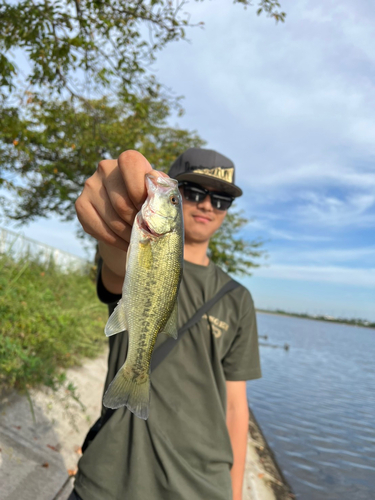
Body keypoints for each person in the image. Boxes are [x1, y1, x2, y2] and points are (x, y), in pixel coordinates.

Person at [72, 147, 261, 500]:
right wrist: (113, 224)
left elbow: (236, 406)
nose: (207, 205)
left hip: (204, 488)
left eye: (221, 200)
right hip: (110, 478)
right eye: (190, 194)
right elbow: (116, 267)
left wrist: (236, 494)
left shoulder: (238, 299)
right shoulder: (134, 246)